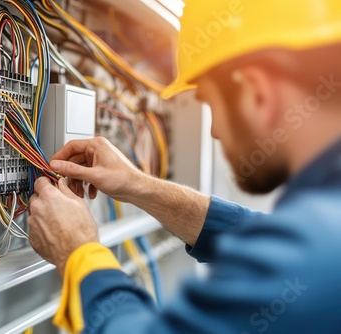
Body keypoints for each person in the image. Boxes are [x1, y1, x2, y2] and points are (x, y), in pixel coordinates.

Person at [27, 1, 341, 333]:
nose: (214, 131)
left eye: (209, 103)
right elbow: (263, 239)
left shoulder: (316, 251)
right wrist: (138, 185)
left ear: (256, 93)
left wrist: (78, 253)